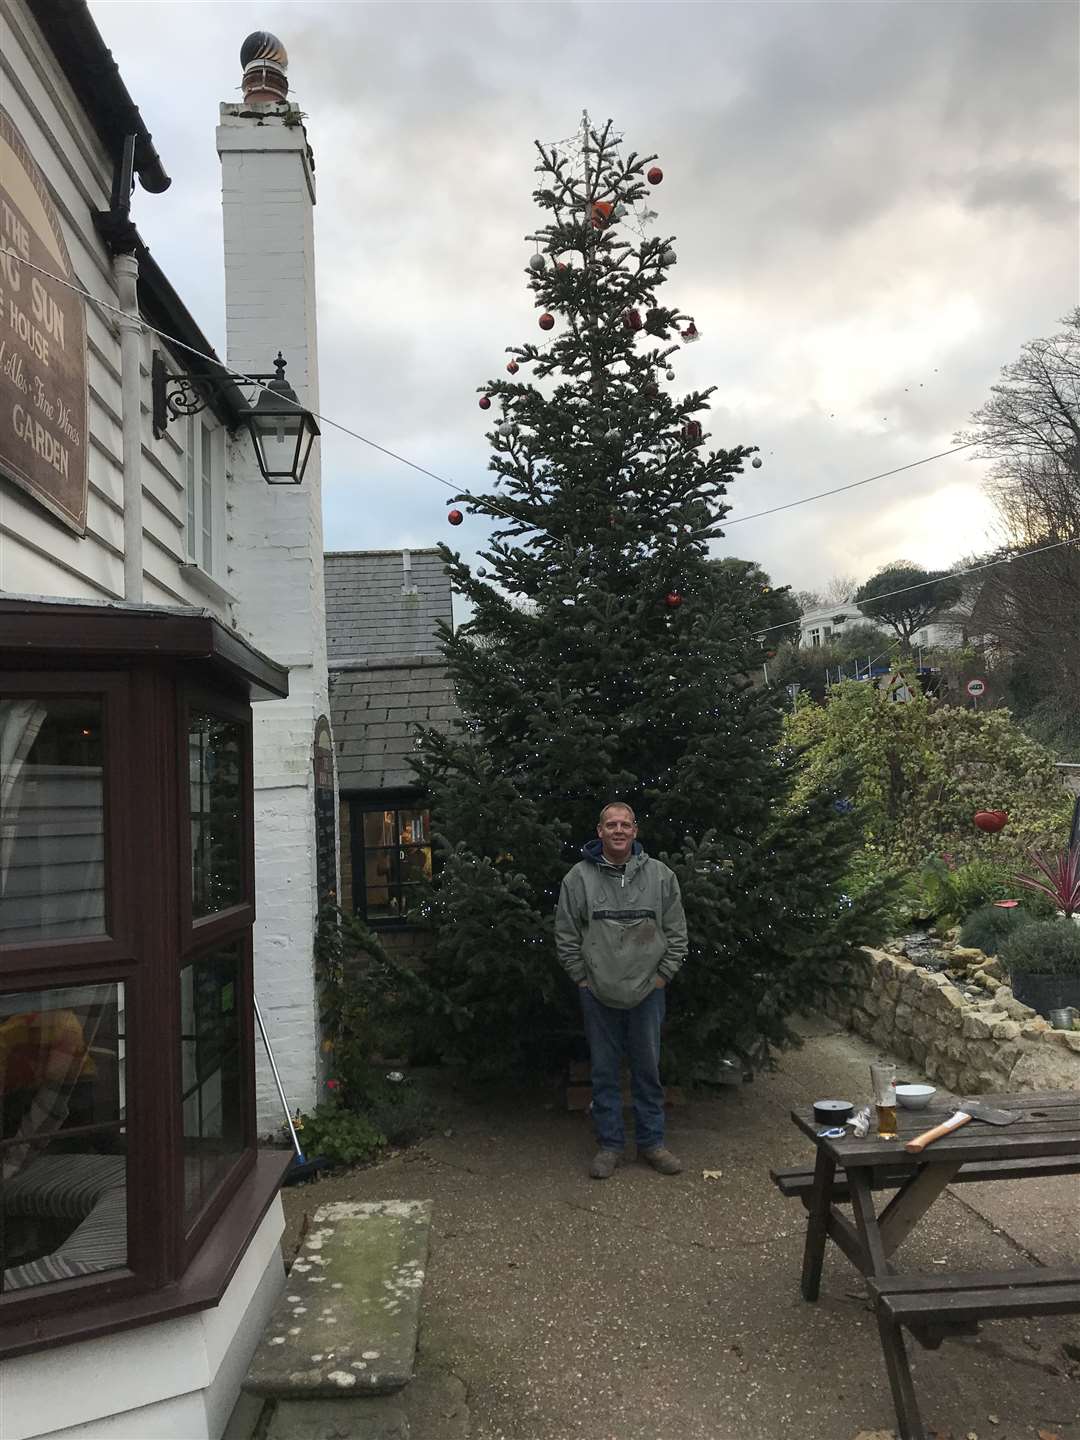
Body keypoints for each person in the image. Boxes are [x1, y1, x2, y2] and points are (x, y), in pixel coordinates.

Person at [555, 802, 688, 1179]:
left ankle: (652, 1144)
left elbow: (677, 934)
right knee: (605, 1073)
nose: (618, 830)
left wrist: (662, 977)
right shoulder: (577, 879)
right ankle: (610, 1145)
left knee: (647, 1071)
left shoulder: (661, 877)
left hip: (649, 993)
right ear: (599, 831)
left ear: (635, 831)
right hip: (597, 993)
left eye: (625, 825)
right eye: (610, 824)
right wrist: (582, 978)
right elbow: (566, 934)